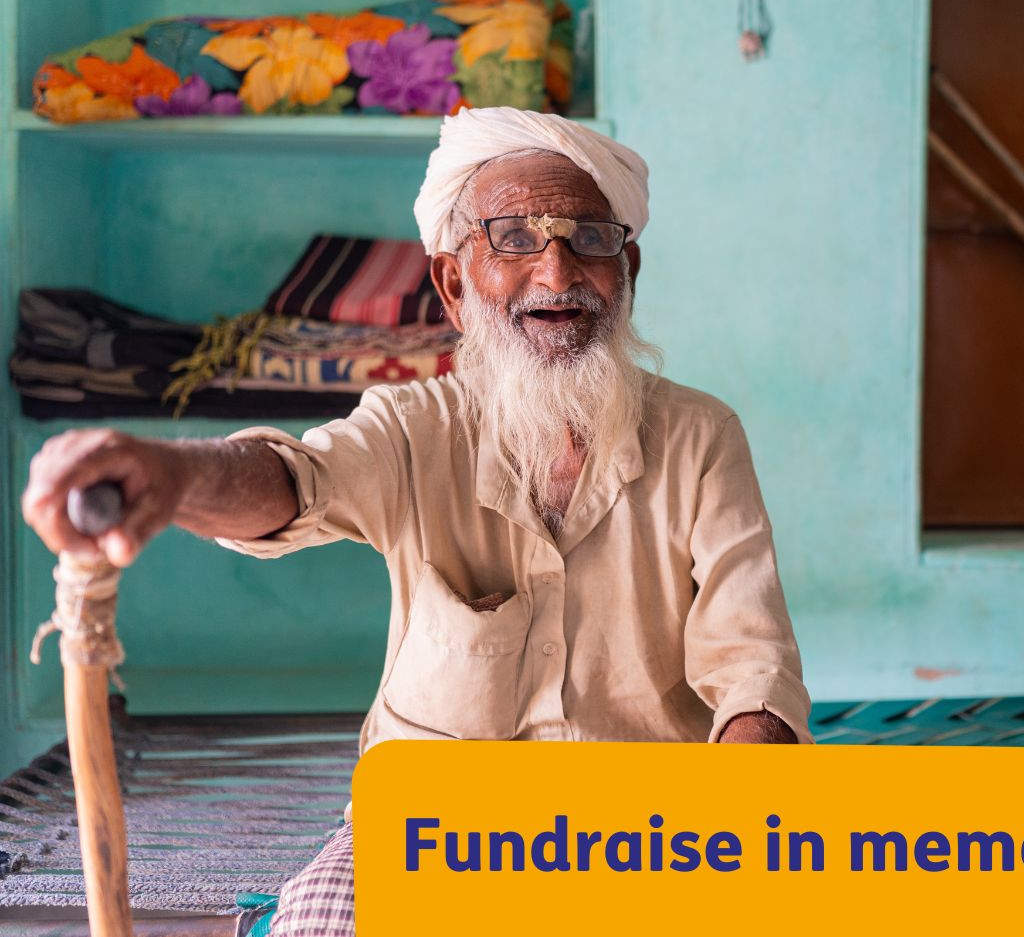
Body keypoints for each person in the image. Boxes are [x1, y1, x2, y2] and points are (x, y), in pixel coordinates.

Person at [22, 107, 811, 936]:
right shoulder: (409, 425)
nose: (555, 272)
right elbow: (296, 482)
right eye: (513, 237)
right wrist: (174, 471)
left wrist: (724, 833)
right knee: (323, 920)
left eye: (588, 239)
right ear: (453, 284)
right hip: (430, 820)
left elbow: (751, 666)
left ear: (628, 268)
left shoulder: (701, 436)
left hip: (647, 825)